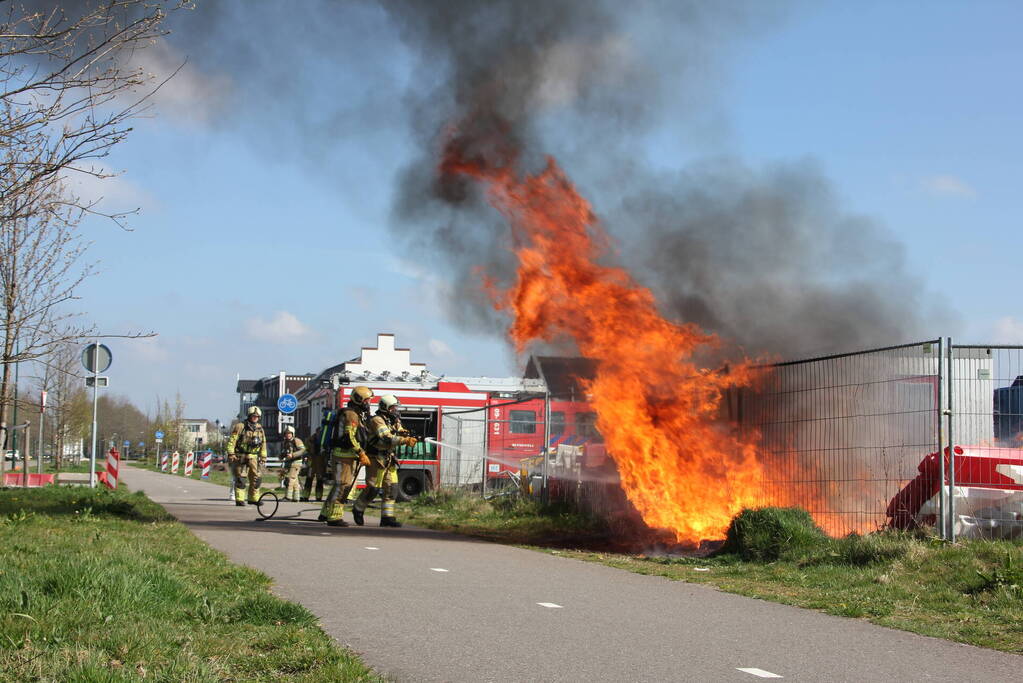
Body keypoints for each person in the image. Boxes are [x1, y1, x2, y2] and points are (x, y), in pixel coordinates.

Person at [353, 394, 416, 527]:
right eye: (393, 408)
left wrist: (403, 432)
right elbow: (386, 437)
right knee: (373, 488)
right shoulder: (377, 420)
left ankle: (387, 517)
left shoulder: (393, 420)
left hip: (389, 458)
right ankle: (358, 509)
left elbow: (397, 431)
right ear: (385, 407)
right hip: (376, 458)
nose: (396, 410)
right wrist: (404, 440)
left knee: (392, 488)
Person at [320, 386, 374, 526]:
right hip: (343, 456)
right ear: (358, 400)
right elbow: (350, 436)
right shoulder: (351, 415)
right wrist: (361, 452)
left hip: (347, 456)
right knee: (343, 486)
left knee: (339, 485)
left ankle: (326, 512)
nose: (368, 404)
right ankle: (334, 517)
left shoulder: (355, 413)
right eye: (366, 400)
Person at [226, 406, 267, 506]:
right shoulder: (240, 426)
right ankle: (240, 499)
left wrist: (263, 456)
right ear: (249, 416)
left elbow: (263, 443)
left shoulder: (260, 429)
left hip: (254, 457)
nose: (255, 418)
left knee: (256, 478)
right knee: (241, 479)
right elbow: (232, 440)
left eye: (257, 416)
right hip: (241, 456)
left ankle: (253, 499)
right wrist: (231, 453)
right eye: (253, 416)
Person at [279, 425, 307, 502]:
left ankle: (288, 497)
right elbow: (285, 451)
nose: (288, 435)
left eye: (289, 433)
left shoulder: (297, 441)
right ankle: (296, 497)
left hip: (296, 462)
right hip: (289, 463)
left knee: (290, 478)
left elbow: (303, 450)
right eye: (286, 433)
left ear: (293, 434)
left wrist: (293, 455)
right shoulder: (286, 442)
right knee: (295, 480)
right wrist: (281, 456)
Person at [301, 425, 328, 502]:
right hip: (312, 462)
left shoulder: (324, 441)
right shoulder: (310, 439)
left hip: (320, 463)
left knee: (319, 481)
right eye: (318, 432)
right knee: (309, 480)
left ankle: (319, 497)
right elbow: (306, 448)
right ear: (316, 432)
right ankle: (305, 496)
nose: (319, 434)